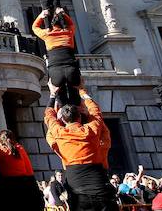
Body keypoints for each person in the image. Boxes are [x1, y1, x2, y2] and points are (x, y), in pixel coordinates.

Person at [44, 82, 116, 211]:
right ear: (79, 117)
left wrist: (53, 95)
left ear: (63, 121)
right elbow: (96, 113)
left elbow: (48, 117)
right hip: (99, 186)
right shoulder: (91, 130)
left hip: (77, 191)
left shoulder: (60, 133)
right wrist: (82, 91)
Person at [32, 10, 81, 106]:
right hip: (71, 68)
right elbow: (71, 23)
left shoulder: (47, 34)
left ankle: (63, 115)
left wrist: (41, 16)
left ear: (52, 24)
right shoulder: (68, 32)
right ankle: (76, 116)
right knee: (75, 97)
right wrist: (63, 14)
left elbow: (34, 27)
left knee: (60, 98)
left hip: (55, 70)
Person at [0, 130, 43, 210]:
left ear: (1, 140)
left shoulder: (0, 151)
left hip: (9, 184)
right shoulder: (20, 148)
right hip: (24, 182)